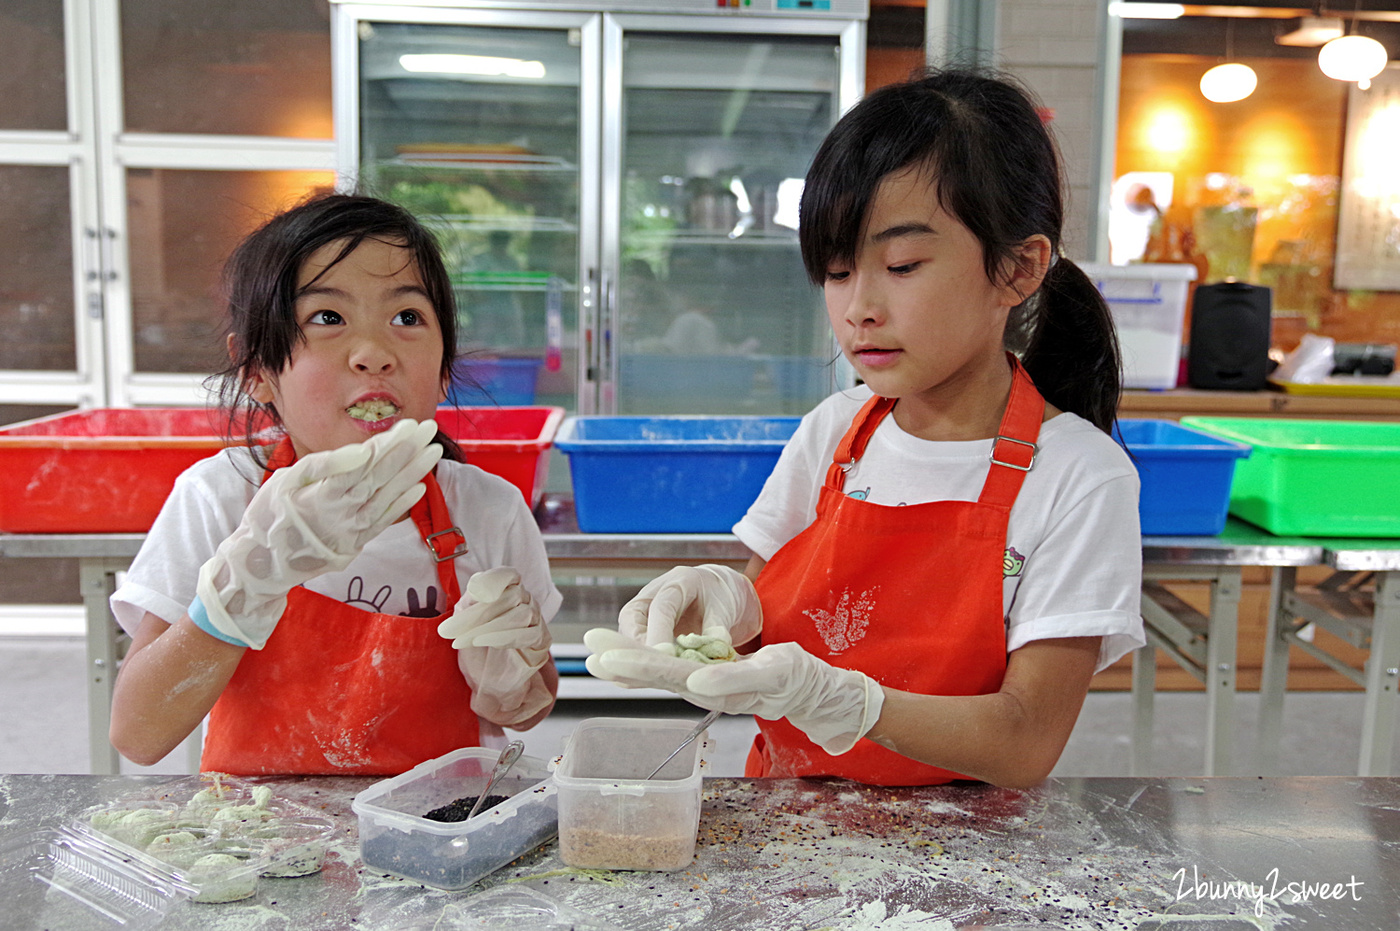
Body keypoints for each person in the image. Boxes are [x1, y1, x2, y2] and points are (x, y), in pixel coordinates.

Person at [584, 69, 1145, 789]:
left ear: (1017, 269)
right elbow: (760, 626)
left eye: (902, 264)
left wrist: (851, 703)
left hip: (968, 857)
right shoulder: (836, 430)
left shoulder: (1078, 476)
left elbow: (1026, 740)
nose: (859, 308)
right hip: (786, 820)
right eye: (838, 270)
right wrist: (716, 605)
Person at [108, 193, 560, 776]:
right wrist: (241, 592)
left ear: (444, 365)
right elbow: (138, 735)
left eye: (407, 318)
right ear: (256, 370)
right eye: (327, 318)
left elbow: (530, 711)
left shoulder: (488, 509)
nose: (374, 354)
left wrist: (512, 681)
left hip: (441, 837)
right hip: (260, 839)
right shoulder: (220, 498)